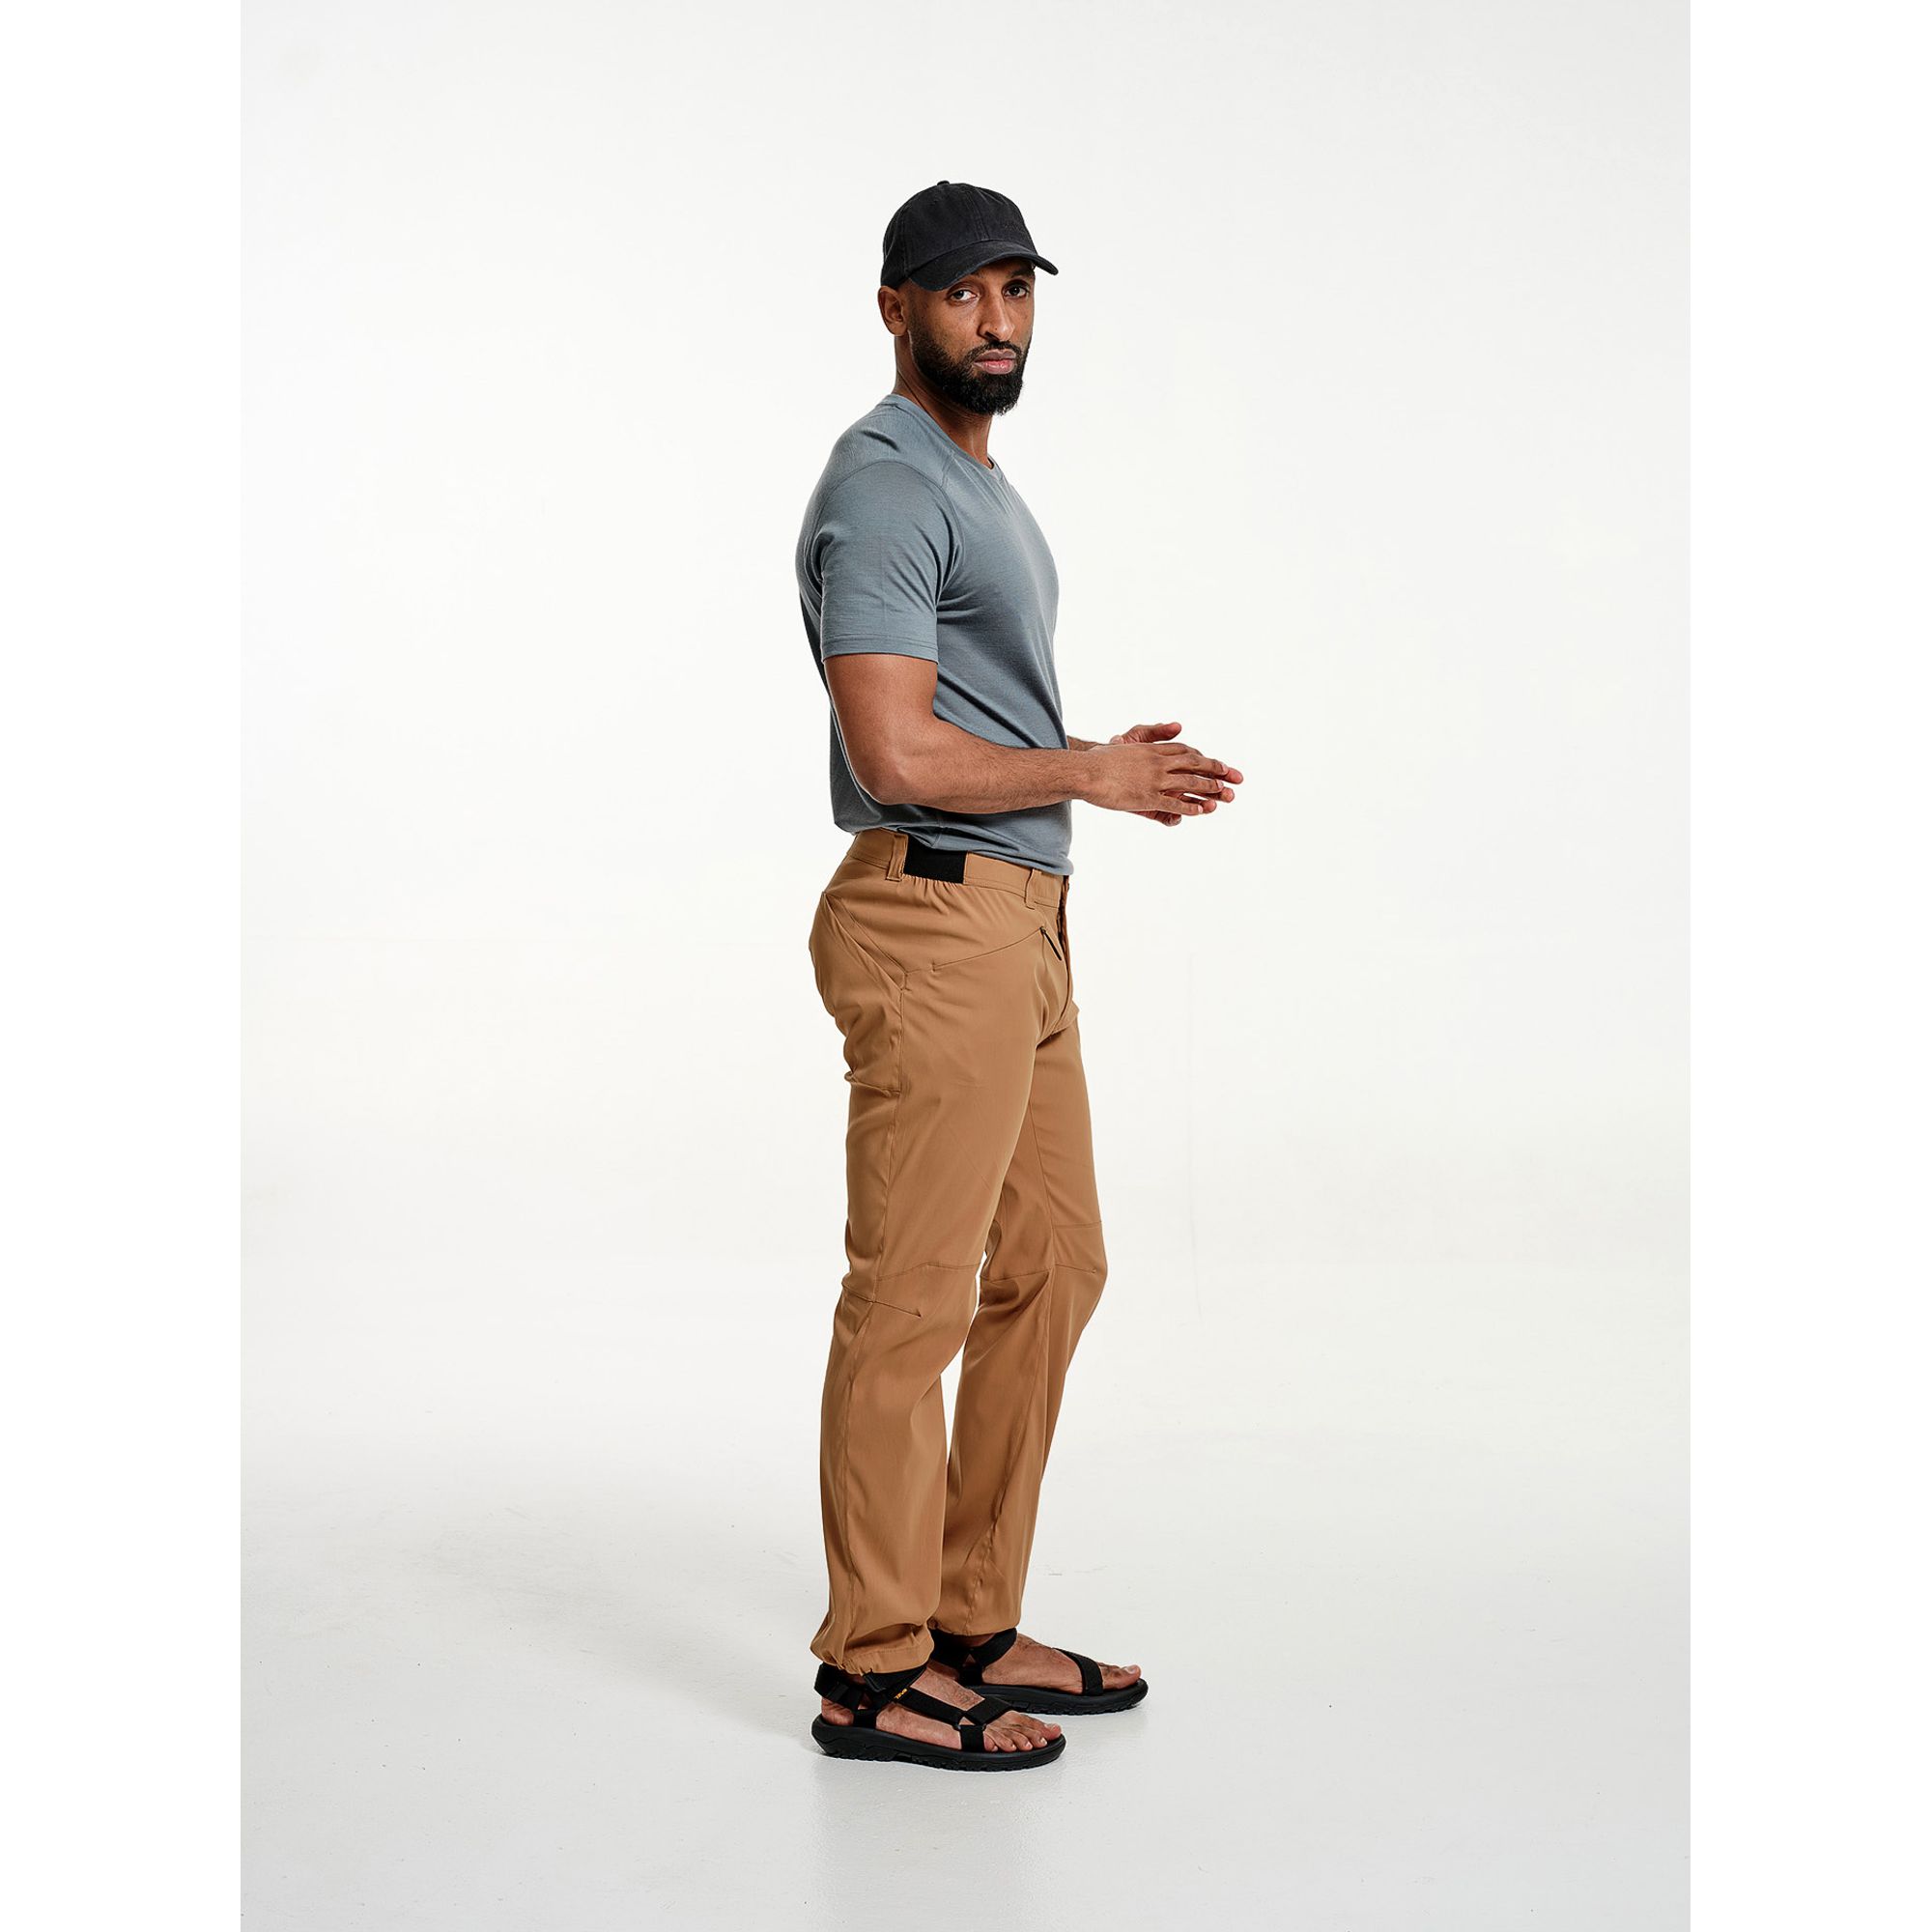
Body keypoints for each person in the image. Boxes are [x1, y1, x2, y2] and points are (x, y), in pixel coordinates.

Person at [793, 181, 1244, 1771]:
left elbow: (966, 718)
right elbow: (893, 750)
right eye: (961, 293)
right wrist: (1088, 772)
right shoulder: (884, 486)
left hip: (1019, 919)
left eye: (1016, 291)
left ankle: (969, 1621)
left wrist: (1080, 786)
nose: (996, 321)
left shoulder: (978, 484)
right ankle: (872, 1668)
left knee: (1056, 1265)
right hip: (932, 917)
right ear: (896, 309)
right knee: (911, 1295)